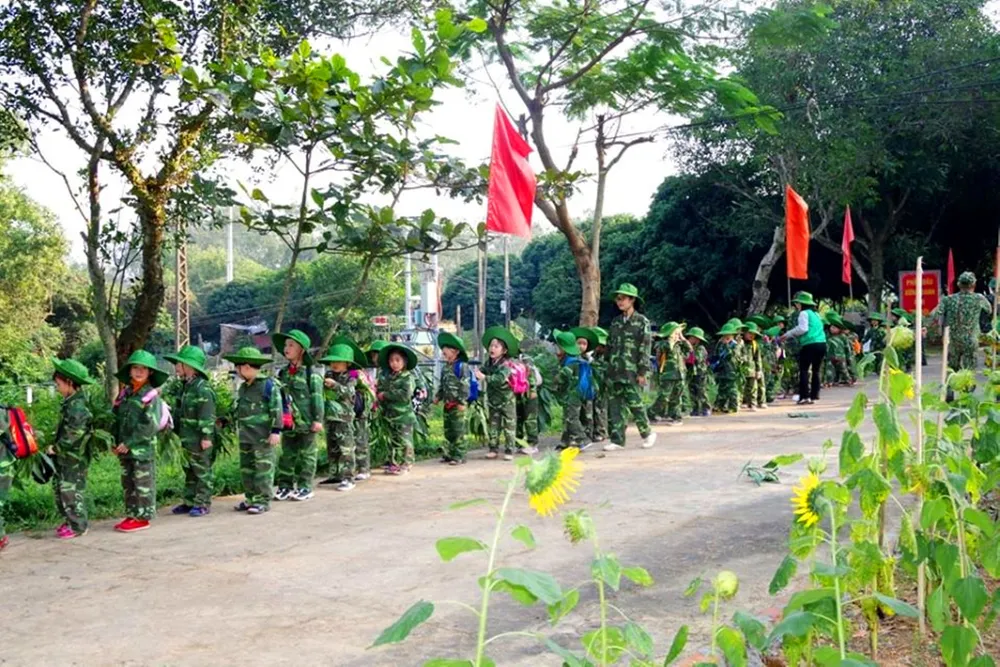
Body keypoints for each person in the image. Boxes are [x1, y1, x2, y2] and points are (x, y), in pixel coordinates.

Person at [113, 350, 169, 533]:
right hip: (124, 448)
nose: (138, 372)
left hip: (141, 448)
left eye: (143, 369)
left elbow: (149, 425)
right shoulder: (125, 394)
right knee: (128, 483)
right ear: (129, 371)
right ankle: (132, 514)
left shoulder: (151, 396)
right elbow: (117, 419)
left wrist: (129, 443)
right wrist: (115, 442)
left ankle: (143, 517)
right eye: (135, 368)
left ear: (150, 372)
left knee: (142, 483)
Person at [223, 347, 282, 514]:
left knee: (263, 470)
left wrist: (276, 431)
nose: (236, 371)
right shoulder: (244, 388)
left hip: (262, 437)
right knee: (247, 469)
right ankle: (250, 498)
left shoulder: (268, 385)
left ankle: (262, 500)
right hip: (246, 436)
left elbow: (276, 408)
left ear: (247, 367)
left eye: (238, 367)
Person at [163, 345, 217, 517]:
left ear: (190, 366)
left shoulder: (203, 388)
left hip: (199, 437)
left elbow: (207, 414)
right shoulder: (186, 387)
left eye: (179, 364)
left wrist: (206, 436)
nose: (176, 368)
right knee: (190, 470)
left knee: (202, 470)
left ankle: (202, 503)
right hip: (186, 437)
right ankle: (189, 501)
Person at [272, 329, 324, 502]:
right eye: (286, 345)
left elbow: (317, 398)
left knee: (307, 455)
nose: (287, 348)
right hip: (289, 422)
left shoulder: (311, 374)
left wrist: (317, 420)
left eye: (291, 345)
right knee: (287, 455)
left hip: (307, 422)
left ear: (301, 350)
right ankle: (285, 486)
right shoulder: (283, 374)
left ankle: (305, 487)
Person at [604, 284, 657, 451]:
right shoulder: (616, 322)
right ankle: (617, 439)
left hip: (632, 371)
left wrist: (643, 372)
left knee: (636, 404)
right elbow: (610, 347)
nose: (619, 302)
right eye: (617, 298)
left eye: (623, 298)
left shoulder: (642, 322)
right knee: (615, 406)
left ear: (632, 300)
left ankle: (648, 433)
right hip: (615, 371)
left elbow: (645, 348)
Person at [50, 358, 96, 539]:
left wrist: (57, 447)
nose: (57, 388)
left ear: (69, 383)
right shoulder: (70, 402)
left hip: (74, 457)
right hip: (66, 457)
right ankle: (69, 520)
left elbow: (75, 432)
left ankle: (78, 525)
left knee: (71, 491)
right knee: (61, 489)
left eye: (58, 384)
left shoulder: (78, 406)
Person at [319, 343, 360, 491]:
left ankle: (348, 477)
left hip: (344, 418)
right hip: (330, 416)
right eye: (332, 361)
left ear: (347, 363)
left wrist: (335, 385)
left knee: (346, 448)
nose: (334, 364)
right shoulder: (328, 375)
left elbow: (349, 393)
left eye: (338, 361)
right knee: (333, 448)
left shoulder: (351, 377)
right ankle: (335, 474)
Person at [933, 271, 992, 371]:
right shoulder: (979, 298)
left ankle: (952, 385)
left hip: (953, 339)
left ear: (959, 284)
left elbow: (935, 315)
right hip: (971, 338)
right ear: (973, 284)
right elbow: (989, 311)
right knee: (969, 370)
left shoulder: (948, 299)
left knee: (953, 369)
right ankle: (968, 386)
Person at [476, 326, 520, 460]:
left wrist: (484, 378)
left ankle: (509, 450)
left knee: (509, 425)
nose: (492, 348)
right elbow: (482, 370)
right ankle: (493, 449)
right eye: (491, 345)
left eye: (496, 346)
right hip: (493, 399)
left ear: (504, 350)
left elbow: (499, 380)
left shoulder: (506, 364)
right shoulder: (489, 363)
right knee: (493, 424)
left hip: (506, 400)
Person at [780, 291, 827, 405]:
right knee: (816, 370)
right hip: (822, 343)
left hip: (810, 344)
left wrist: (788, 334)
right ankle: (815, 394)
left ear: (801, 304)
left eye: (797, 303)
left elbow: (803, 329)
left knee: (804, 370)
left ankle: (804, 397)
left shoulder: (803, 313)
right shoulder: (816, 314)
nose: (796, 305)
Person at [378, 342, 418, 474]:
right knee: (394, 440)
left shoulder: (407, 377)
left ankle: (407, 463)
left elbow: (405, 395)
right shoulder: (388, 377)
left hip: (403, 415)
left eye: (397, 360)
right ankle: (394, 463)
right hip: (391, 415)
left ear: (404, 362)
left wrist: (386, 395)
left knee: (405, 440)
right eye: (391, 360)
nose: (394, 363)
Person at [436, 331, 470, 465]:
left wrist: (462, 401)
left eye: (445, 353)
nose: (444, 356)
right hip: (447, 403)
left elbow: (465, 384)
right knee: (449, 429)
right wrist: (438, 396)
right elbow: (442, 384)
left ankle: (459, 455)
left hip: (457, 404)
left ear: (455, 351)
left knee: (458, 430)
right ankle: (450, 453)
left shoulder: (462, 366)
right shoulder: (445, 368)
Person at [553, 329, 588, 450]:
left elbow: (563, 376)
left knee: (571, 417)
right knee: (567, 417)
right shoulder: (572, 358)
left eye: (558, 346)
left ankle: (581, 439)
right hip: (572, 394)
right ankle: (565, 441)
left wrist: (553, 378)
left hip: (574, 394)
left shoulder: (571, 361)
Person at [654, 322, 690, 425]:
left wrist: (682, 339)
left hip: (679, 374)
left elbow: (689, 350)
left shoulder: (679, 345)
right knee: (664, 396)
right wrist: (671, 340)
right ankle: (652, 413)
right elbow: (663, 350)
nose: (678, 334)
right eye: (676, 332)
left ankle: (675, 416)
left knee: (677, 397)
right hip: (668, 374)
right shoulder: (663, 344)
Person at [571, 326, 600, 439]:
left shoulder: (589, 359)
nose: (582, 346)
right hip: (575, 391)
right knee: (576, 415)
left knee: (588, 414)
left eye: (584, 344)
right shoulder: (571, 358)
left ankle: (588, 435)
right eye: (579, 343)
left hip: (587, 391)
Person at [515, 351, 541, 455]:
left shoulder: (525, 357)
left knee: (530, 419)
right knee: (518, 419)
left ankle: (533, 444)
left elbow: (531, 373)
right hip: (517, 394)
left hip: (529, 394)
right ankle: (518, 443)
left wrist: (533, 390)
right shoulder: (508, 359)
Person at [713, 322, 741, 413]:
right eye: (725, 334)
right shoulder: (720, 344)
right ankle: (720, 405)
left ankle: (733, 406)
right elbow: (716, 355)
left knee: (731, 389)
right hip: (722, 370)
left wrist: (726, 345)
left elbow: (730, 355)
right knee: (722, 388)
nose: (726, 336)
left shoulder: (735, 345)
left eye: (728, 335)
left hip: (731, 370)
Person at [685, 327, 711, 417]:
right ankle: (695, 409)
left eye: (693, 338)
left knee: (702, 391)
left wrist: (690, 350)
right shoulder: (688, 348)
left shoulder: (701, 348)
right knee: (692, 391)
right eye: (691, 338)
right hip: (692, 373)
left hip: (701, 373)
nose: (691, 340)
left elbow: (697, 359)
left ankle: (706, 408)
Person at [590, 327, 610, 444]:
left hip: (604, 385)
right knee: (597, 407)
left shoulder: (607, 356)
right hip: (597, 385)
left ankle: (601, 432)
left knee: (600, 408)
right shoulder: (595, 354)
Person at [742, 322, 765, 411]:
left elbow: (757, 358)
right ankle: (743, 402)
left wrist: (758, 370)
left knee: (753, 387)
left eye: (754, 334)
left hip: (752, 369)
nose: (752, 335)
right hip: (742, 369)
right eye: (750, 333)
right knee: (743, 386)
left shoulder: (754, 344)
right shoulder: (739, 343)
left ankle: (753, 404)